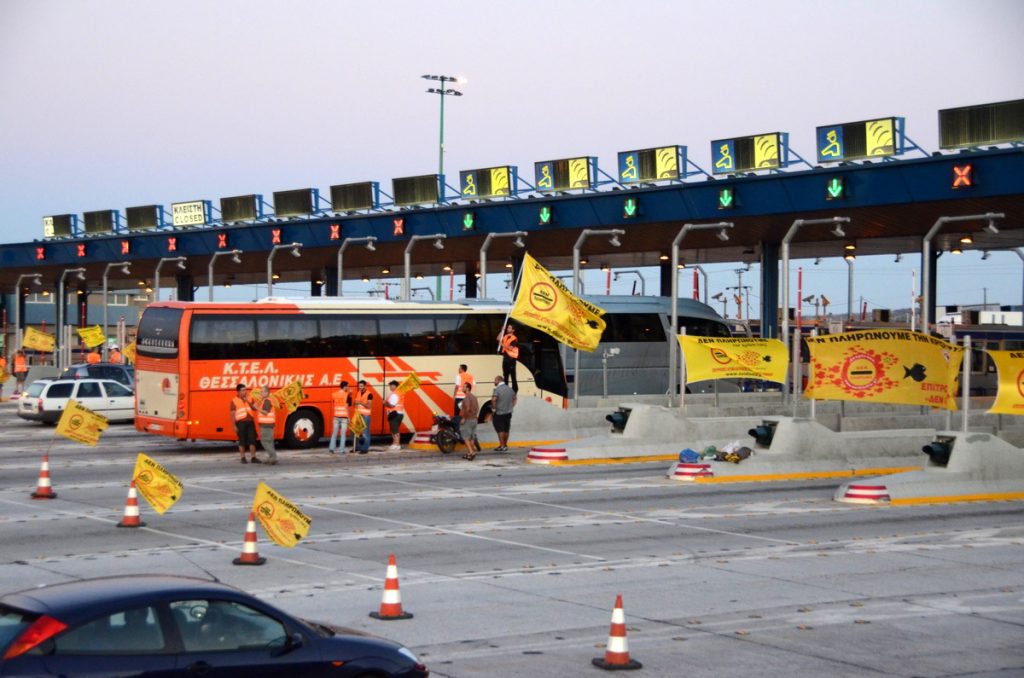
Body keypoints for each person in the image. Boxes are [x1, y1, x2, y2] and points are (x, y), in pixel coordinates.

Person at [230, 383, 261, 464]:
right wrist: (234, 426)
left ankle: (253, 457)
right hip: (241, 423)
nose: (245, 392)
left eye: (245, 390)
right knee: (242, 441)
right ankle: (243, 457)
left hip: (250, 422)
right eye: (243, 390)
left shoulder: (250, 398)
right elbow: (232, 414)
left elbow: (255, 408)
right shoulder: (234, 401)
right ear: (238, 392)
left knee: (252, 440)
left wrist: (248, 401)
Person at [490, 375, 517, 452]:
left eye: (495, 380)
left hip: (499, 413)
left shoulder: (497, 389)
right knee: (506, 429)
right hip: (508, 412)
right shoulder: (510, 389)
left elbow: (494, 399)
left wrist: (494, 408)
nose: (494, 382)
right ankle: (505, 445)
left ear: (498, 380)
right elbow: (514, 398)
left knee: (500, 429)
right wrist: (511, 406)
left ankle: (502, 446)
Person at [255, 386, 279, 465]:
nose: (261, 393)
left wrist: (257, 408)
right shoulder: (265, 401)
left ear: (266, 392)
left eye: (262, 391)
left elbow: (265, 412)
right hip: (268, 424)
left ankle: (273, 457)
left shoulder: (267, 401)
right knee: (269, 441)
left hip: (266, 424)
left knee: (264, 441)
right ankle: (271, 458)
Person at [459, 381, 481, 460]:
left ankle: (471, 452)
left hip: (468, 420)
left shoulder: (467, 397)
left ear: (467, 388)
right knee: (471, 437)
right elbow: (478, 408)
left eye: (464, 387)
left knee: (465, 437)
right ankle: (469, 452)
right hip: (474, 419)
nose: (462, 388)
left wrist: (464, 418)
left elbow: (467, 408)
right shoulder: (474, 397)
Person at [328, 380, 351, 454]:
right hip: (344, 416)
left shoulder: (334, 394)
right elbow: (347, 406)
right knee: (343, 434)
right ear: (345, 387)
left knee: (334, 433)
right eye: (347, 386)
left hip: (336, 416)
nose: (348, 387)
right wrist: (348, 417)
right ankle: (341, 450)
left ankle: (331, 448)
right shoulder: (346, 395)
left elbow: (334, 404)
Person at [352, 380, 374, 454]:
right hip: (358, 415)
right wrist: (354, 403)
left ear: (365, 386)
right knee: (355, 432)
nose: (360, 387)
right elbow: (354, 404)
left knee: (365, 433)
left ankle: (365, 449)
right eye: (359, 386)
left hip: (365, 415)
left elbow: (369, 406)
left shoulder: (369, 394)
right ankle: (357, 447)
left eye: (361, 386)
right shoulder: (358, 393)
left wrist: (360, 402)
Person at [452, 364, 474, 434]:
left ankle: (457, 431)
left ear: (462, 369)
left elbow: (457, 386)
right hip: (467, 398)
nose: (458, 370)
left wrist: (454, 395)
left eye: (459, 368)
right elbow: (473, 386)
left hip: (459, 398)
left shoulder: (459, 376)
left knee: (457, 415)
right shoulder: (471, 376)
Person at [383, 380, 404, 450]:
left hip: (395, 413)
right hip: (397, 413)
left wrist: (385, 403)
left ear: (395, 386)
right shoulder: (397, 393)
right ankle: (394, 443)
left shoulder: (395, 394)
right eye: (390, 385)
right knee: (393, 429)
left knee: (395, 430)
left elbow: (392, 405)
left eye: (391, 385)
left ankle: (397, 444)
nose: (390, 387)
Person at [499, 324, 519, 392]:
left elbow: (511, 348)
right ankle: (505, 389)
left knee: (513, 376)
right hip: (505, 358)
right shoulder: (505, 336)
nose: (508, 329)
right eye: (507, 328)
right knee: (505, 375)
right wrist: (502, 330)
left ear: (513, 330)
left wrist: (502, 345)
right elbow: (498, 338)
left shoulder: (514, 338)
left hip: (511, 359)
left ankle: (515, 390)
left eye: (509, 328)